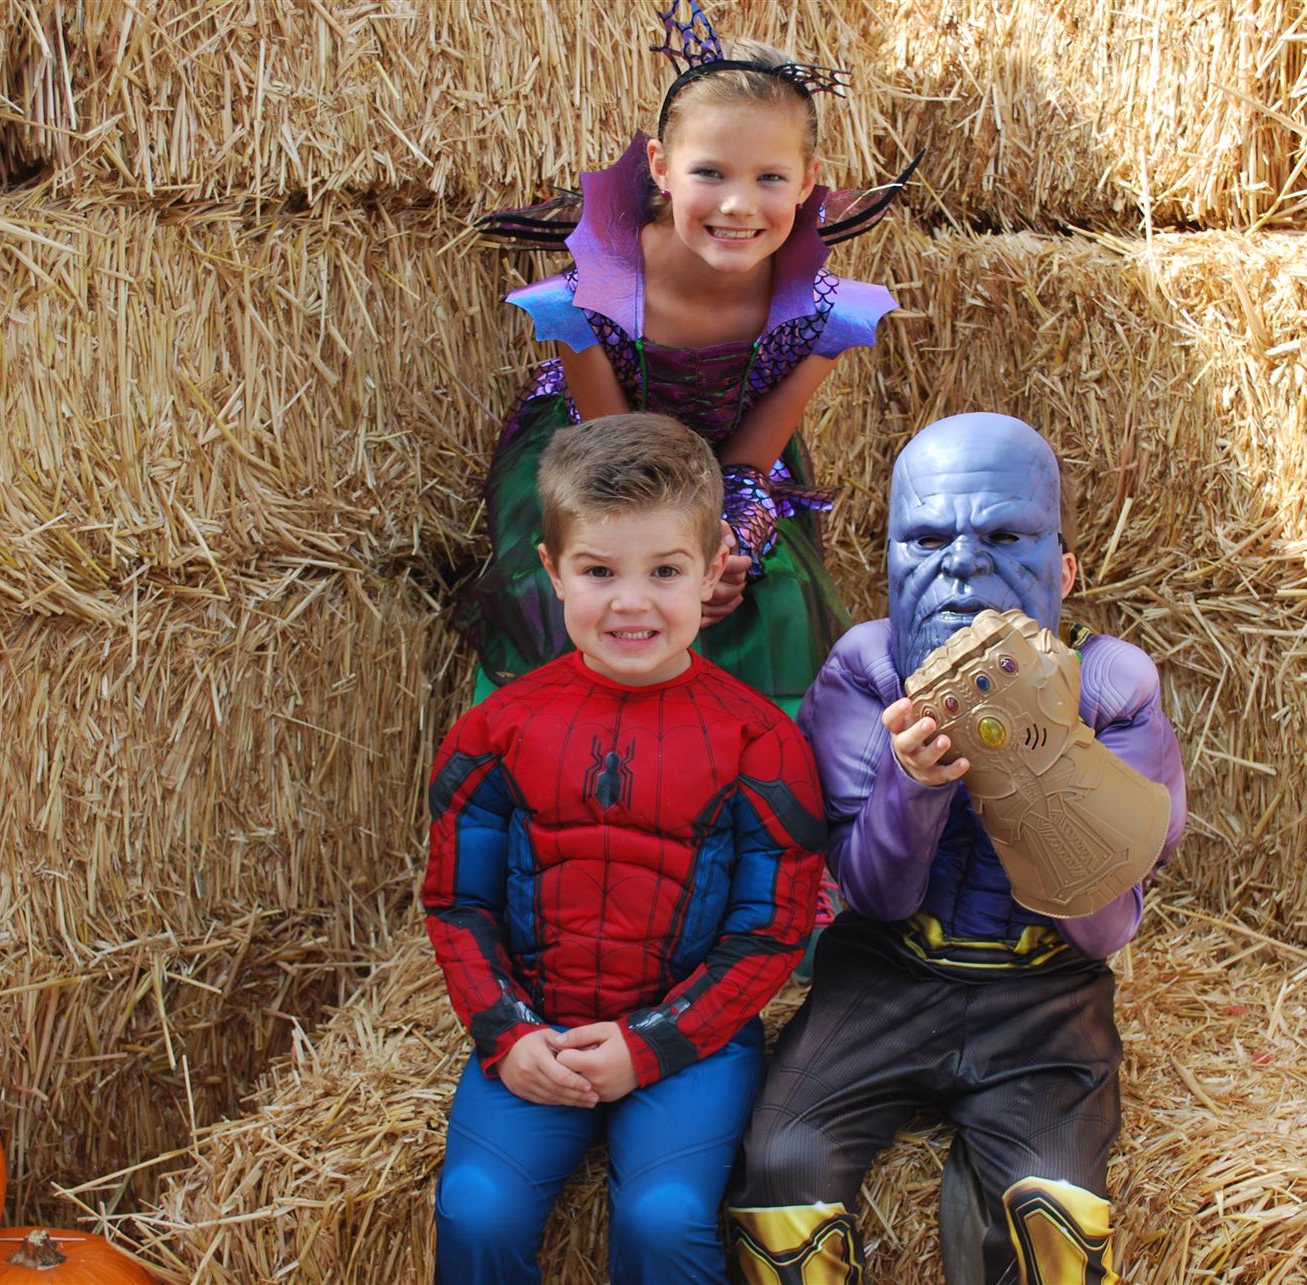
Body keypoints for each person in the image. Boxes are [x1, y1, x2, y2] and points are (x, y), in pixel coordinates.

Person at [726, 413, 1188, 1284]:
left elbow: (1102, 929)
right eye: (929, 536)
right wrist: (917, 783)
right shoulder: (867, 670)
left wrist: (1041, 754)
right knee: (782, 1178)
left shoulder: (1113, 684)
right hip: (887, 974)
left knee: (1057, 1227)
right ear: (893, 560)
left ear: (1065, 567)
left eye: (1005, 536)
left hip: (1042, 989)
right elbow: (875, 892)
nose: (964, 564)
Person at [423, 413, 826, 1285]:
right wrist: (505, 1032)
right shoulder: (493, 732)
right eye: (599, 571)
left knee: (665, 1218)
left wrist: (652, 1044)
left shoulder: (763, 743)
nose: (631, 602)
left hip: (692, 1045)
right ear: (551, 572)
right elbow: (459, 903)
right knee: (475, 1211)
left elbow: (770, 932)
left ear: (716, 565)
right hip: (538, 1028)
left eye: (665, 571)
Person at [460, 0, 916, 713]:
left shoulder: (823, 312)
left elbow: (751, 459)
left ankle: (757, 786)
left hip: (730, 471)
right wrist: (677, 557)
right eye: (711, 172)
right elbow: (614, 463)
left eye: (770, 178)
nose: (738, 204)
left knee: (775, 600)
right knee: (588, 593)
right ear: (660, 167)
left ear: (807, 181)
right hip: (598, 454)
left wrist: (729, 547)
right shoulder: (594, 294)